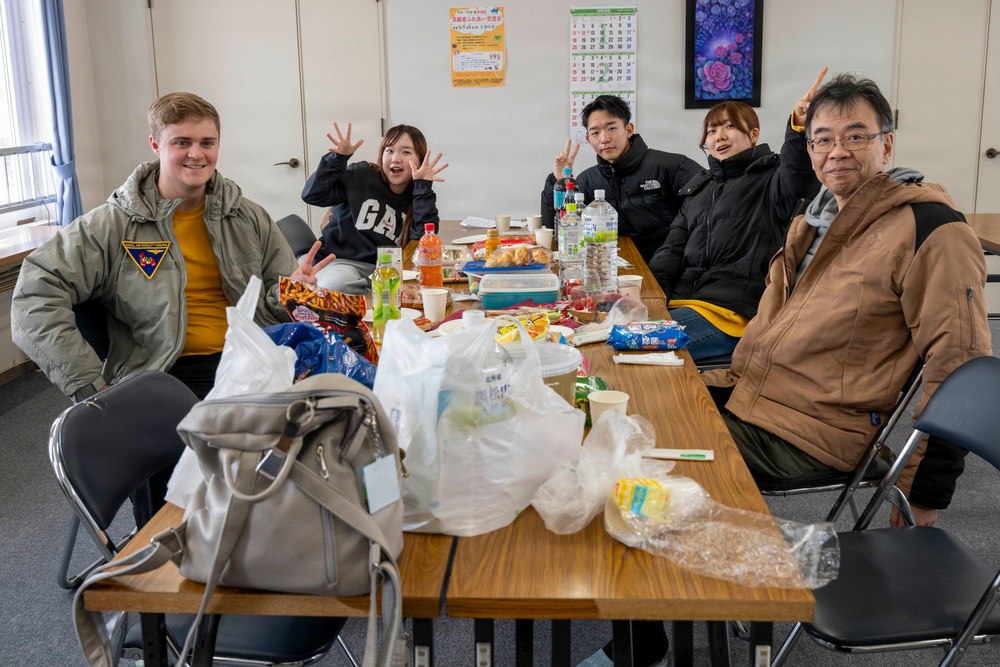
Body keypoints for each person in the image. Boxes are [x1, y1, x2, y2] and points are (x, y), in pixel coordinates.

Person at [11, 92, 333, 525]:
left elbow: (273, 301)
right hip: (160, 375)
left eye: (207, 142)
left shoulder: (247, 216)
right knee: (177, 518)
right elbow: (34, 296)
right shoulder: (111, 225)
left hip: (246, 363)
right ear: (155, 145)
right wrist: (92, 389)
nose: (196, 154)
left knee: (316, 450)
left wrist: (292, 293)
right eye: (182, 142)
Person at [703, 73, 992, 529]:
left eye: (855, 136)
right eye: (822, 140)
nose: (837, 151)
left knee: (649, 451)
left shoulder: (931, 230)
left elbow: (959, 365)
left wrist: (922, 495)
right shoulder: (811, 221)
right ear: (811, 151)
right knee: (630, 404)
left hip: (807, 433)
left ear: (887, 145)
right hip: (750, 395)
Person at [647, 69, 827, 361]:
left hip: (731, 314)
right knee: (615, 334)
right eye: (712, 130)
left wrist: (798, 129)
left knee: (636, 349)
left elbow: (799, 173)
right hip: (683, 302)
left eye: (729, 127)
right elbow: (671, 250)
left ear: (753, 134)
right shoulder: (699, 188)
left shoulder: (773, 179)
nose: (719, 136)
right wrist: (649, 300)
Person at [540, 95, 703, 263]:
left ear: (629, 129)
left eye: (611, 128)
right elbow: (556, 230)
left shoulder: (673, 167)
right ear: (588, 139)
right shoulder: (587, 181)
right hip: (613, 269)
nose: (604, 139)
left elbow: (706, 219)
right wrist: (559, 180)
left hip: (673, 268)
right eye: (595, 133)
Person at [301, 122, 447, 293]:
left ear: (420, 160)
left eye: (406, 152)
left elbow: (421, 242)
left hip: (386, 269)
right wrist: (337, 159)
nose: (396, 158)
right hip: (341, 264)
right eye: (389, 150)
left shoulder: (418, 196)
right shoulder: (362, 175)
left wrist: (423, 188)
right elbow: (312, 194)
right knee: (336, 286)